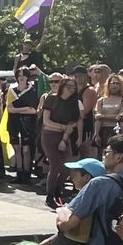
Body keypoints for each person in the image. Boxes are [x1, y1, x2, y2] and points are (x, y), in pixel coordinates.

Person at [40, 76, 82, 209]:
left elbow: (72, 124)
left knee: (67, 165)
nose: (71, 89)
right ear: (62, 86)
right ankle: (49, 196)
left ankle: (59, 189)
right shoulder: (52, 99)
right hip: (49, 135)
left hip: (64, 136)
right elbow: (47, 122)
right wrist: (63, 128)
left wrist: (64, 139)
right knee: (55, 165)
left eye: (73, 87)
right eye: (68, 86)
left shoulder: (73, 103)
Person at [6, 66, 38, 183]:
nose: (21, 78)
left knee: (26, 149)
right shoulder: (12, 90)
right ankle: (19, 174)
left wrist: (18, 109)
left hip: (28, 123)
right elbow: (10, 109)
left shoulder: (32, 90)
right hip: (14, 122)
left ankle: (27, 174)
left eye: (23, 75)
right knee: (17, 149)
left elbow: (34, 110)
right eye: (19, 75)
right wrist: (24, 108)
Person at [94, 72, 123, 149]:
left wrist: (102, 116)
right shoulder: (101, 100)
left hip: (117, 130)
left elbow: (120, 117)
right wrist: (96, 133)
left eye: (117, 84)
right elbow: (97, 119)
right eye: (112, 83)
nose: (114, 85)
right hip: (103, 131)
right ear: (108, 85)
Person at [72, 64, 98, 157]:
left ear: (86, 76)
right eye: (76, 76)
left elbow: (85, 111)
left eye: (80, 75)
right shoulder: (73, 90)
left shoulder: (89, 90)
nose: (78, 78)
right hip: (74, 125)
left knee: (85, 151)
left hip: (86, 125)